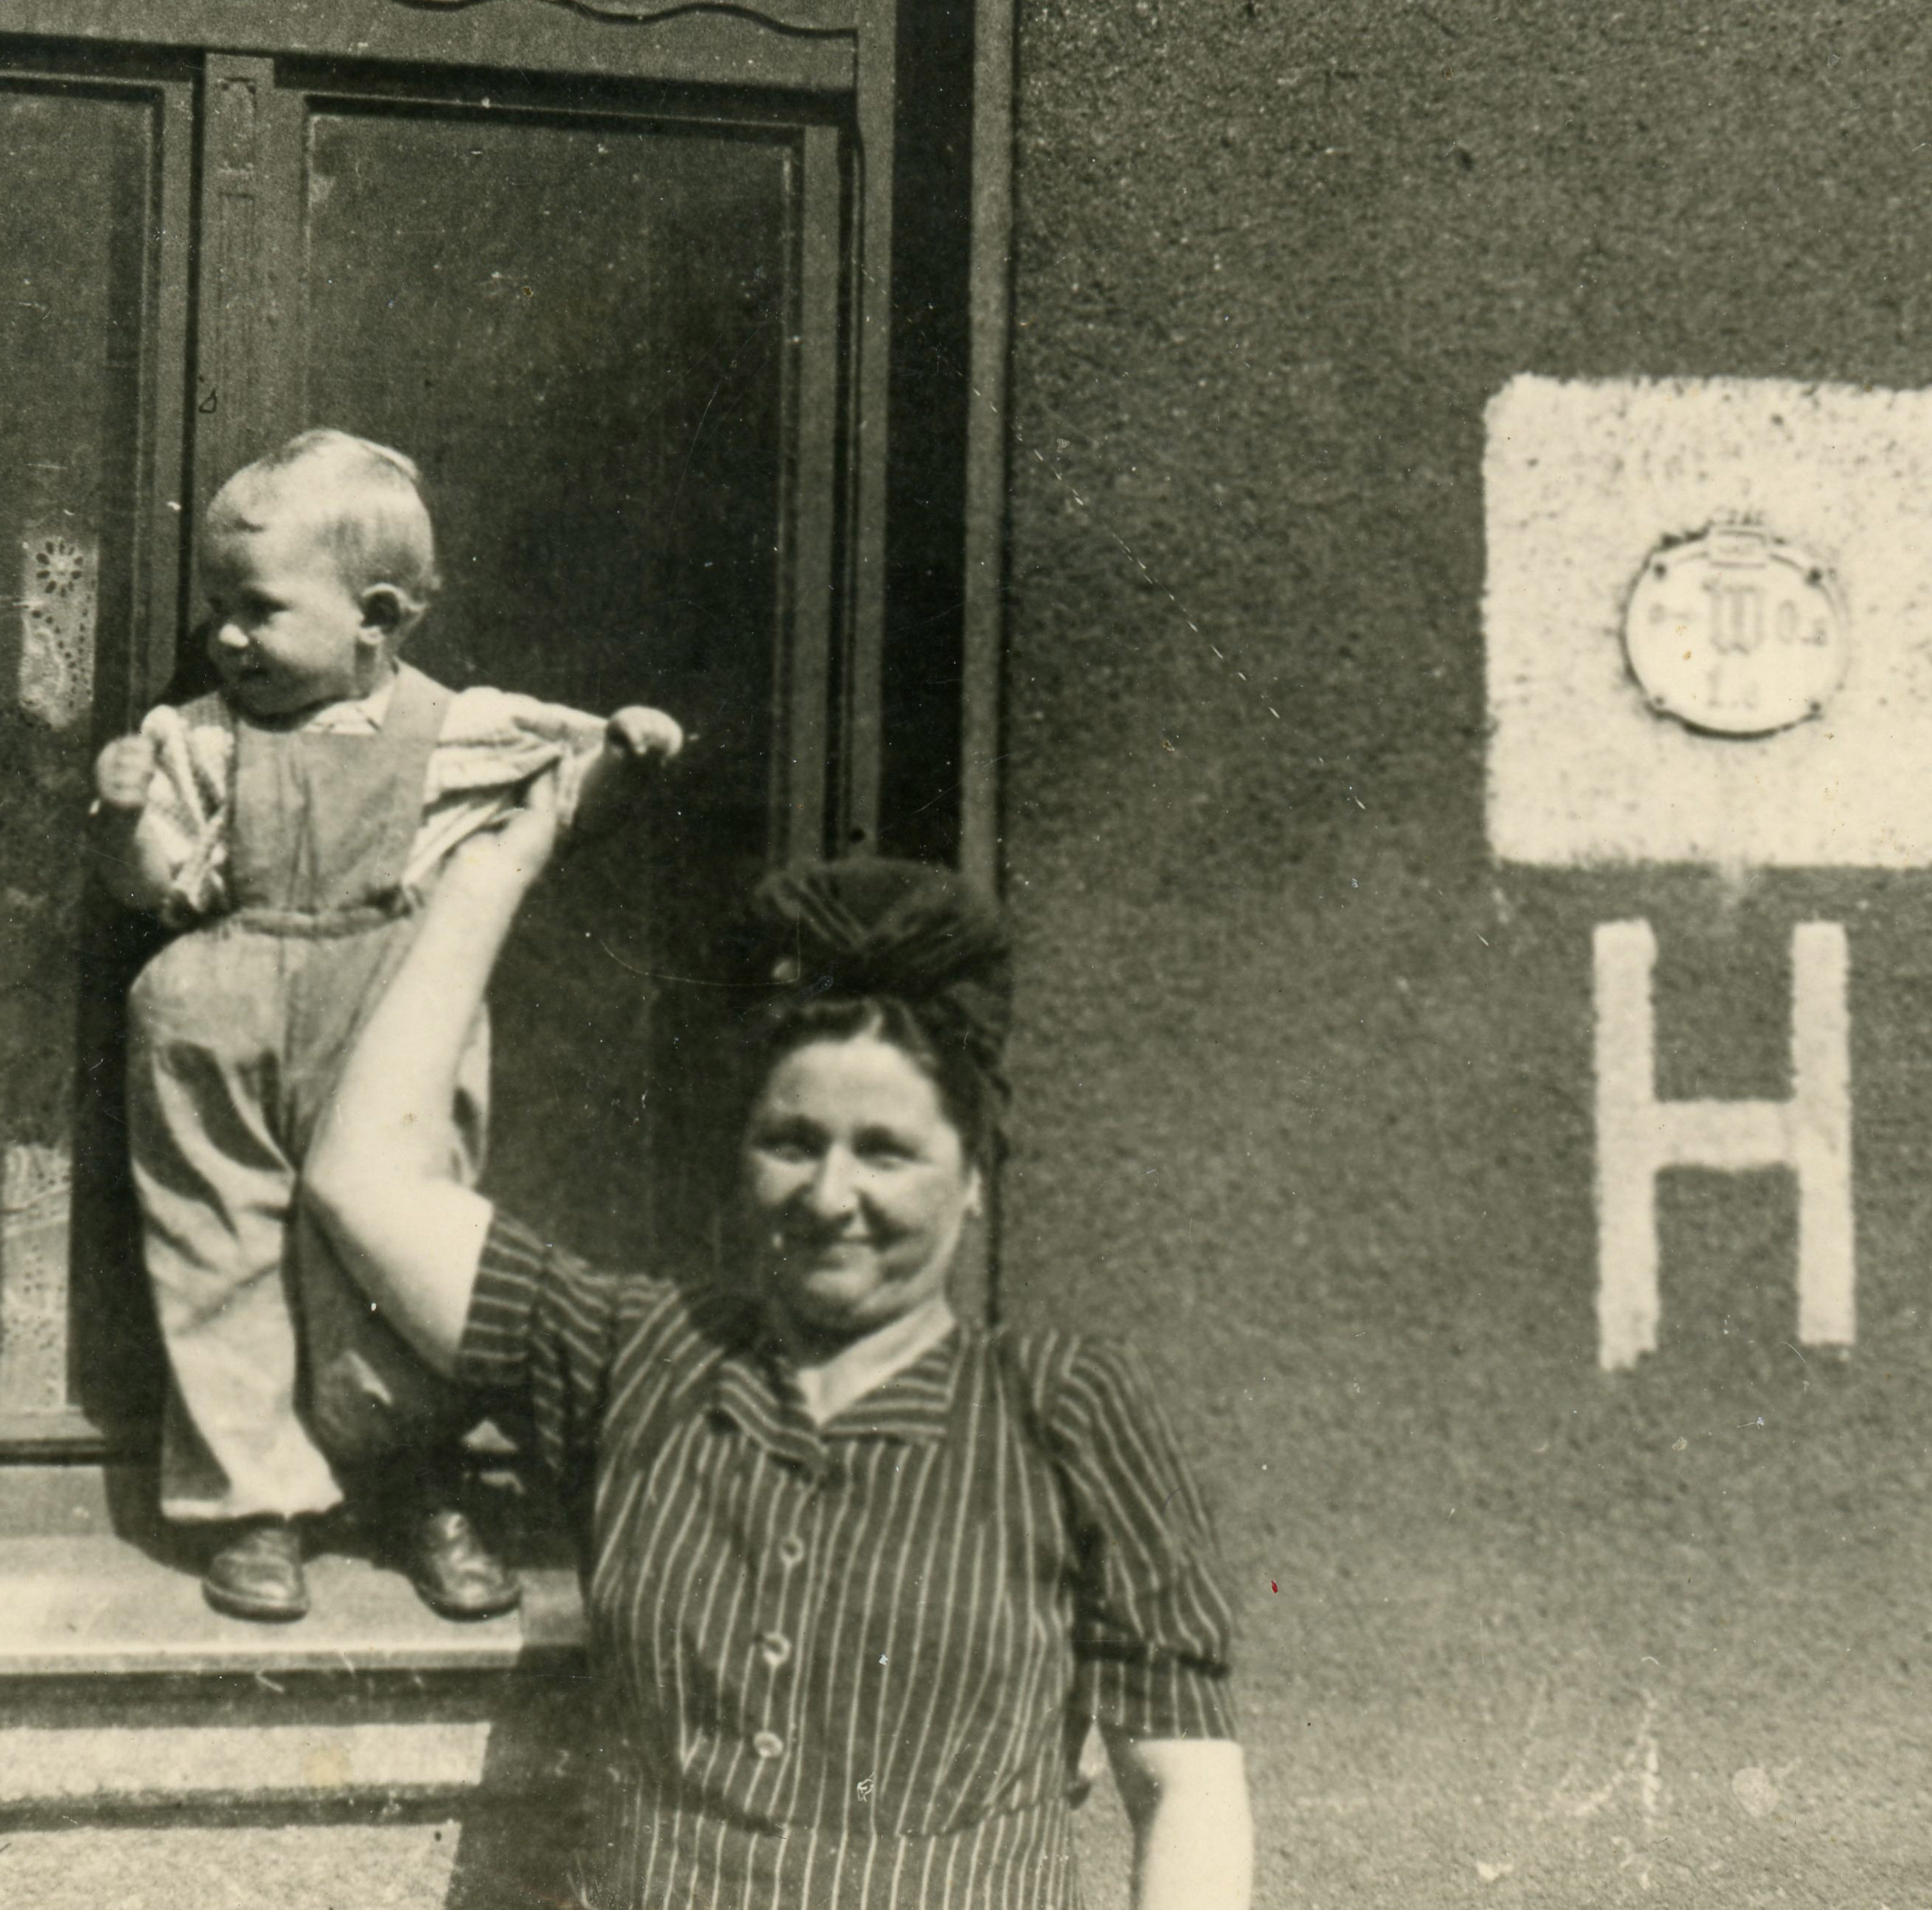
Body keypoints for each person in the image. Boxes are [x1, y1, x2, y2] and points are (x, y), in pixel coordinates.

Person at [296, 801, 1256, 1910]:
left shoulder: (1064, 1410)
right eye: (791, 1142)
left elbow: (1184, 1787)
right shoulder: (638, 1351)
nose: (830, 1195)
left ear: (975, 1177)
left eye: (886, 1151)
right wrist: (502, 862)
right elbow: (361, 1177)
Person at [92, 428, 682, 1624]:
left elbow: (558, 794)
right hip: (221, 1013)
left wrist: (624, 752)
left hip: (394, 1009)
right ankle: (257, 1502)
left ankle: (419, 1478)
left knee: (389, 1247)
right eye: (216, 607)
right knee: (224, 1250)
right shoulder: (203, 736)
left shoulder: (460, 725)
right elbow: (160, 882)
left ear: (375, 614)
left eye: (256, 608)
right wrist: (119, 822)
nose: (226, 637)